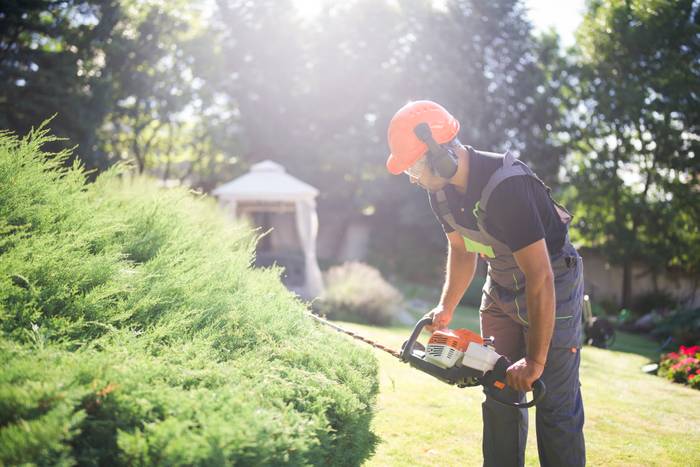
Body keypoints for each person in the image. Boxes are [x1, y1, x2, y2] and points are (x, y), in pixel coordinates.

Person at [386, 100, 585, 467]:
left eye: (414, 166)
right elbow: (462, 250)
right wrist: (445, 307)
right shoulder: (440, 191)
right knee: (497, 390)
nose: (412, 178)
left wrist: (536, 360)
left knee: (552, 399)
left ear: (440, 155)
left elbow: (539, 276)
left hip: (552, 281)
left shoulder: (506, 185)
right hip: (500, 282)